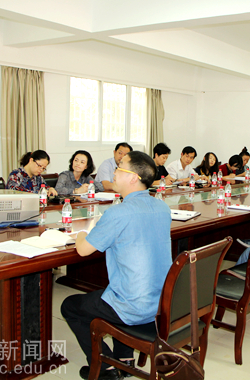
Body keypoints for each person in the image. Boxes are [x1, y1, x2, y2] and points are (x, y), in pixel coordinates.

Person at [61, 151, 172, 380]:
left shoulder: (119, 212)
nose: (114, 172)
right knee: (112, 290)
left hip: (132, 305)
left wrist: (81, 233)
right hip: (161, 302)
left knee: (71, 306)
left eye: (119, 167)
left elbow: (83, 250)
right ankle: (124, 359)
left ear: (132, 178)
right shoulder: (162, 207)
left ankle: (105, 368)